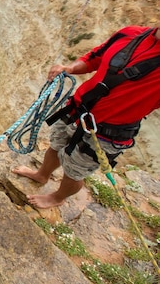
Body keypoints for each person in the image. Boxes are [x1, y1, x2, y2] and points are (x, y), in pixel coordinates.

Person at [13, 25, 160, 209]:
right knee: (56, 146)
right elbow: (95, 58)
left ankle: (58, 197)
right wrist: (70, 68)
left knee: (75, 170)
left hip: (107, 131)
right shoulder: (131, 33)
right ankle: (42, 174)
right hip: (77, 110)